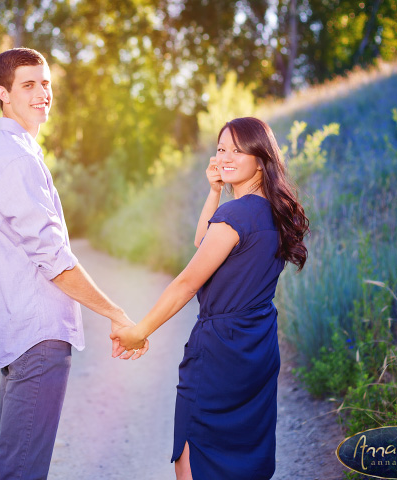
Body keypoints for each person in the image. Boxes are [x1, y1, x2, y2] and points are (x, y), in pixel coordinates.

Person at [0, 47, 149, 480]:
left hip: (23, 334)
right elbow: (55, 260)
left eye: (46, 83)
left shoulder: (18, 152)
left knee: (11, 462)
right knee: (21, 470)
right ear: (3, 93)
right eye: (28, 84)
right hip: (36, 336)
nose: (42, 93)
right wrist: (117, 313)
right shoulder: (15, 158)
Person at [111, 117, 309, 480]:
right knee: (245, 448)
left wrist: (140, 331)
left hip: (219, 350)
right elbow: (204, 243)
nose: (226, 156)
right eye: (221, 149)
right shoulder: (274, 213)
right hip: (257, 344)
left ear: (260, 157)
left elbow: (187, 283)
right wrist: (214, 190)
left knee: (193, 448)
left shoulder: (236, 216)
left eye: (237, 149)